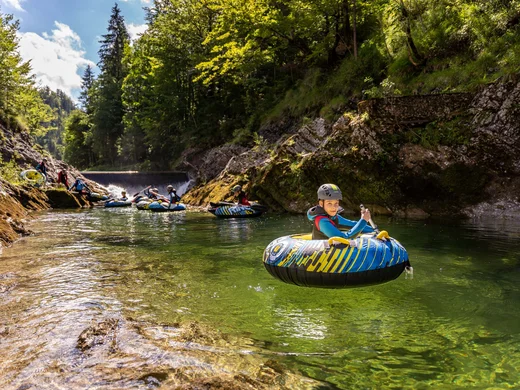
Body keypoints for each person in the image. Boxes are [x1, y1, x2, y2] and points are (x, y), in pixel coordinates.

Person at [307, 184, 376, 240]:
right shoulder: (321, 221)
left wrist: (374, 230)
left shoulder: (334, 217)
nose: (333, 207)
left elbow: (353, 225)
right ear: (321, 204)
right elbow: (343, 239)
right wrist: (363, 221)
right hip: (319, 252)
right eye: (329, 203)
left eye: (336, 203)